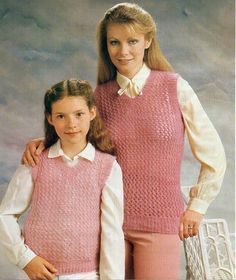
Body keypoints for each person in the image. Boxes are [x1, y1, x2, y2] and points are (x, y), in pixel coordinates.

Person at [21, 3, 226, 280]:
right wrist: (42, 142)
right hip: (106, 224)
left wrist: (197, 207)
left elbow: (213, 154)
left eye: (132, 41)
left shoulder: (174, 87)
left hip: (160, 222)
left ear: (148, 41)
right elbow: (76, 136)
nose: (123, 51)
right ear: (106, 46)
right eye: (114, 42)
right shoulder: (100, 97)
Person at [0, 79, 124, 280]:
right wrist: (25, 259)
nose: (71, 124)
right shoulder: (35, 161)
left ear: (92, 113)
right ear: (50, 118)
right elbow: (5, 215)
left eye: (79, 114)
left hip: (89, 275)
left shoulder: (107, 167)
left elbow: (112, 234)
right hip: (40, 274)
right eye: (61, 116)